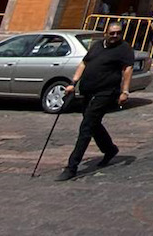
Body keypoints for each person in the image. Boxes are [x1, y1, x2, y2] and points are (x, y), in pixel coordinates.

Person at [56, 21, 135, 181]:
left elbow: (128, 69)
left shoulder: (124, 48)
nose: (115, 36)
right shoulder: (97, 46)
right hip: (88, 91)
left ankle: (72, 167)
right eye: (112, 33)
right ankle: (110, 149)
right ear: (105, 33)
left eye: (118, 33)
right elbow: (84, 63)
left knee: (86, 127)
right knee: (93, 123)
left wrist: (125, 91)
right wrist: (73, 83)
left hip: (106, 92)